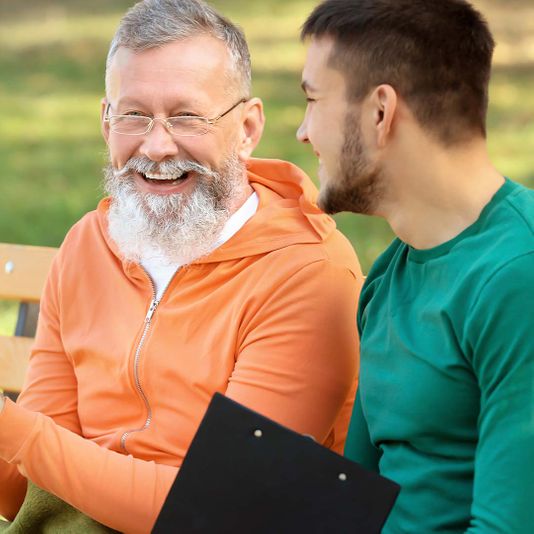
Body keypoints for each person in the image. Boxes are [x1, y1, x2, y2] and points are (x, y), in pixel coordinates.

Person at [0, 0, 364, 531]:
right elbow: (23, 490)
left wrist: (17, 434)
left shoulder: (307, 276)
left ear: (247, 126)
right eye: (134, 115)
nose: (157, 145)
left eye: (187, 116)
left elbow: (220, 509)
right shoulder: (87, 245)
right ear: (106, 123)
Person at [297, 0, 534, 532]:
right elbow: (352, 498)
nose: (303, 132)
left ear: (380, 112)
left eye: (313, 100)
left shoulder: (519, 277)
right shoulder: (388, 277)